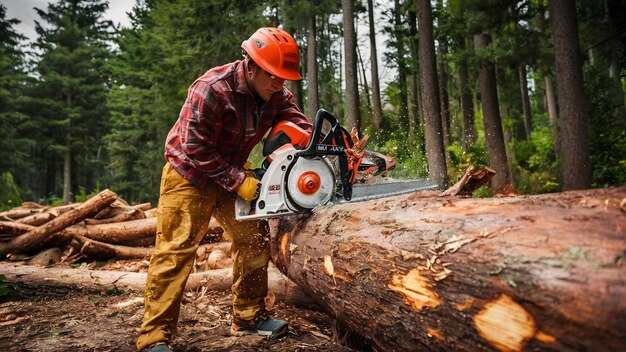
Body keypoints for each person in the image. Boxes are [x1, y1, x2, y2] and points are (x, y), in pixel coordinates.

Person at [136, 27, 312, 352]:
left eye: (284, 77)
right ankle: (153, 338)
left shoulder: (276, 93)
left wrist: (308, 139)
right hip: (188, 174)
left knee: (254, 240)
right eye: (273, 75)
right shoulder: (212, 89)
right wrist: (237, 180)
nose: (279, 83)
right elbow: (192, 146)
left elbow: (294, 120)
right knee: (175, 251)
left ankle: (247, 317)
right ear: (252, 64)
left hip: (232, 171)